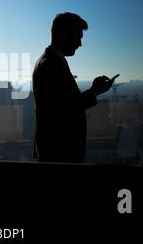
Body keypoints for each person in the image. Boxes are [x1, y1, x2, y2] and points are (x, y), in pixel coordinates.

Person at [33, 12, 115, 163]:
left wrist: (94, 91)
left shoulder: (50, 61)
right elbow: (64, 108)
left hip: (55, 151)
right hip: (60, 153)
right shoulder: (51, 64)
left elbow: (62, 104)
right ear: (64, 33)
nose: (80, 44)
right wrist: (95, 91)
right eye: (78, 37)